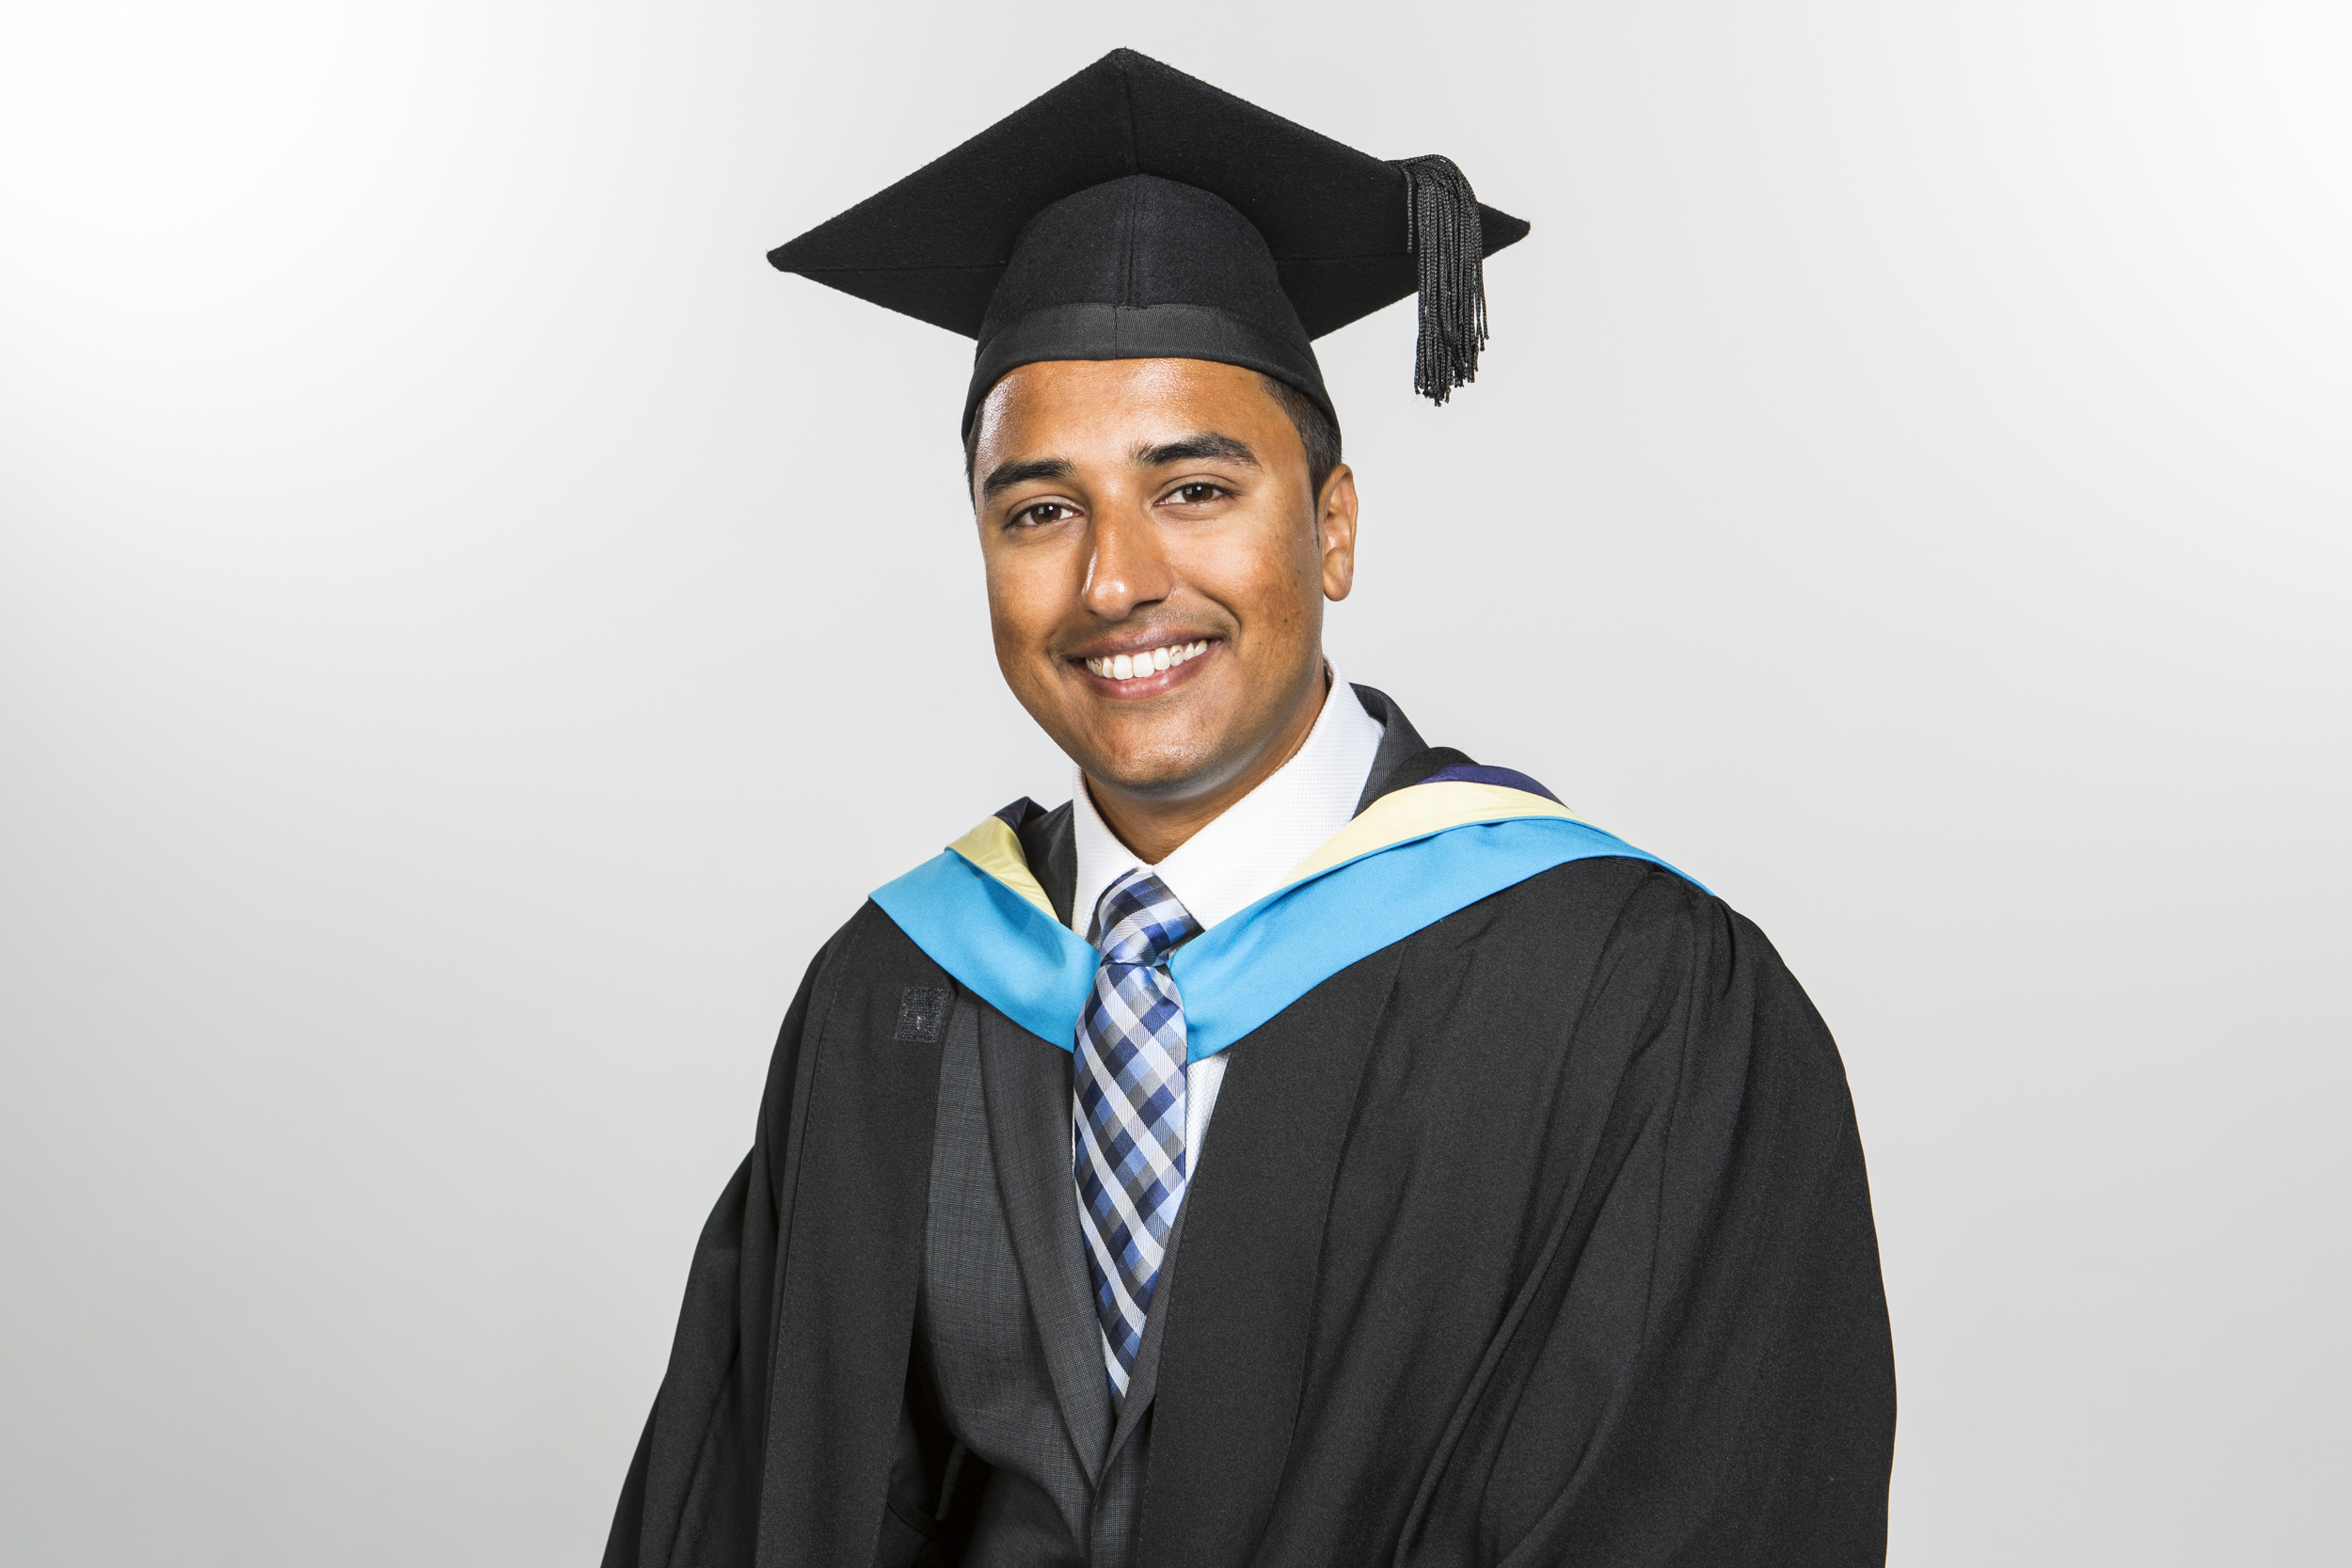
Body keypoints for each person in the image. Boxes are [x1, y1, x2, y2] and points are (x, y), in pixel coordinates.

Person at [604, 48, 1895, 1568]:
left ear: (1332, 527)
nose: (1115, 579)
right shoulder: (894, 998)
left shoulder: (1632, 1003)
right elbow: (754, 1506)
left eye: (1195, 489)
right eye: (1040, 510)